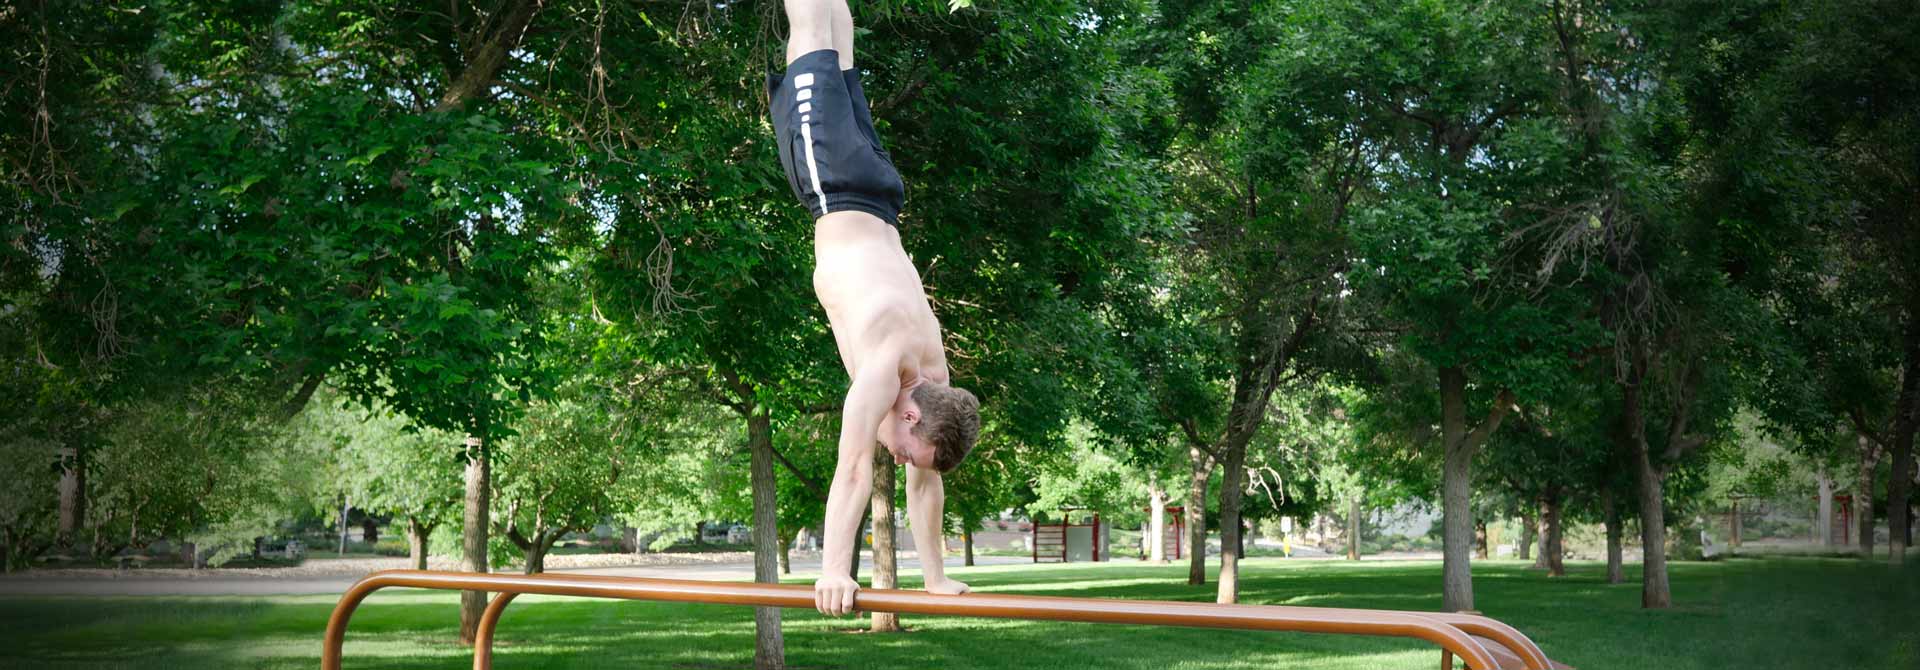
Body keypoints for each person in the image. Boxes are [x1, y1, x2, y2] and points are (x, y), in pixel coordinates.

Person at [767, 0, 983, 617]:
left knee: (839, 41)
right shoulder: (885, 368)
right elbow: (855, 467)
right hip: (834, 183)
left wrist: (935, 580)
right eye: (904, 449)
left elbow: (926, 482)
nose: (900, 457)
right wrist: (834, 570)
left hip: (881, 193)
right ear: (912, 418)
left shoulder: (934, 379)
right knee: (808, 30)